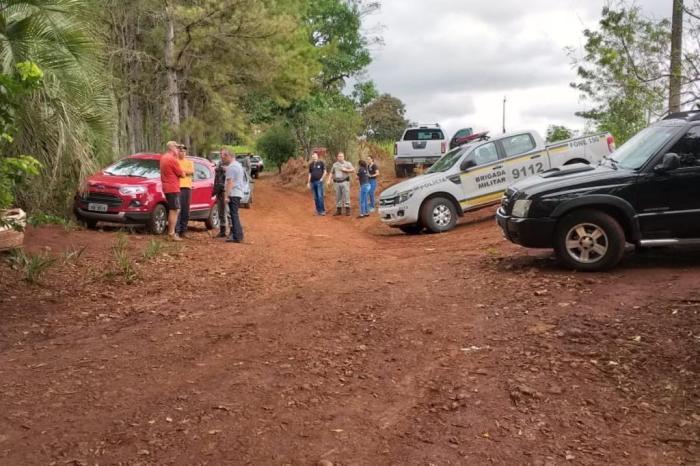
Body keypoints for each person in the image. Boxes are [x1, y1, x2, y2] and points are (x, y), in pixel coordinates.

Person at [160, 141, 185, 241]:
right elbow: (181, 174)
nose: (178, 149)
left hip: (166, 186)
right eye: (177, 147)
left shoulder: (163, 157)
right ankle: (171, 233)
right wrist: (183, 172)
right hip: (172, 187)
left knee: (174, 209)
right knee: (174, 210)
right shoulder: (172, 159)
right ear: (171, 148)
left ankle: (171, 232)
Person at [224, 151, 247, 243]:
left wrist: (226, 195)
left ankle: (237, 236)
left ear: (229, 156)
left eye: (224, 157)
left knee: (234, 215)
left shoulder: (231, 167)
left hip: (233, 193)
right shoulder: (238, 165)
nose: (223, 159)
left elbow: (230, 182)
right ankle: (238, 235)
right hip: (238, 193)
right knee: (235, 214)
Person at [327, 152, 355, 216]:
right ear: (337, 157)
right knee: (338, 196)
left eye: (341, 156)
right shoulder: (335, 165)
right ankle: (338, 210)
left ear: (344, 157)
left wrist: (346, 170)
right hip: (337, 182)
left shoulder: (347, 163)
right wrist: (329, 180)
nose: (340, 157)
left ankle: (347, 210)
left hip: (345, 181)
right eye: (339, 156)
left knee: (346, 195)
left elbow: (353, 170)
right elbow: (331, 173)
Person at [175, 145, 194, 238]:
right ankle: (177, 230)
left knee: (186, 210)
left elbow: (191, 171)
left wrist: (181, 171)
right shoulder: (175, 161)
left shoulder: (189, 162)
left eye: (184, 151)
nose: (182, 152)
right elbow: (176, 171)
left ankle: (184, 230)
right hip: (178, 187)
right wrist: (184, 172)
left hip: (187, 187)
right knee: (178, 209)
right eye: (180, 151)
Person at [213, 148, 230, 238]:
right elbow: (216, 177)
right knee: (220, 211)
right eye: (220, 154)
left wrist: (227, 169)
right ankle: (222, 230)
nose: (221, 155)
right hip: (219, 190)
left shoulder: (230, 163)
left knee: (228, 212)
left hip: (225, 190)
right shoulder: (219, 163)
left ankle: (231, 231)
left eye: (222, 154)